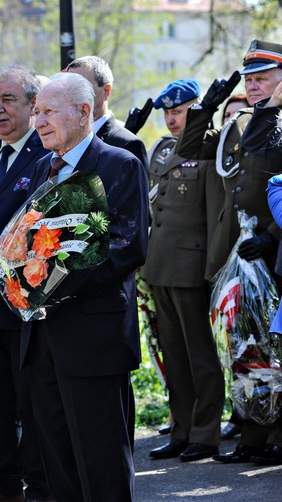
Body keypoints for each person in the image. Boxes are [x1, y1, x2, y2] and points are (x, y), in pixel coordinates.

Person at [23, 72, 149, 501]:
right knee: (57, 461)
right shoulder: (42, 166)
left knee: (101, 461)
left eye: (48, 111)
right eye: (36, 111)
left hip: (93, 336)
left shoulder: (119, 164)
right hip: (41, 337)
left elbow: (127, 247)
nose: (37, 121)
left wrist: (51, 279)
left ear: (83, 111)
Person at [175, 40, 282, 465]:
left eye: (263, 79)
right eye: (250, 80)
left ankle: (277, 433)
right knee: (243, 350)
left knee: (274, 349)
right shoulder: (241, 124)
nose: (254, 87)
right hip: (233, 256)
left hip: (269, 254)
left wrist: (273, 235)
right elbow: (190, 149)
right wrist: (205, 106)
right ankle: (253, 432)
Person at [0, 65, 51, 502]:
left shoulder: (45, 155)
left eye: (9, 100)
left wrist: (4, 264)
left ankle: (37, 484)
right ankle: (3, 483)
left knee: (30, 402)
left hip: (24, 304)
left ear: (33, 106)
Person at [142, 79, 225, 462]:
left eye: (179, 111)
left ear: (196, 108)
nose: (172, 119)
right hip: (160, 266)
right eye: (168, 113)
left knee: (199, 354)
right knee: (173, 354)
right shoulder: (160, 150)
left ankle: (206, 433)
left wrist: (212, 267)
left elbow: (214, 213)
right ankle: (182, 429)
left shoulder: (211, 146)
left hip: (191, 266)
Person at [218, 93, 250, 442]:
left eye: (238, 116)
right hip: (227, 256)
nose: (233, 122)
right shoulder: (223, 151)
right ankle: (242, 414)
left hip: (259, 255)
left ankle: (262, 424)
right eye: (227, 116)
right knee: (233, 345)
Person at [65, 55, 148, 168]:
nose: (73, 96)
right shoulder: (62, 140)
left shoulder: (128, 144)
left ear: (106, 91)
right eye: (68, 88)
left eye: (82, 88)